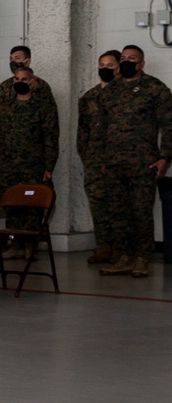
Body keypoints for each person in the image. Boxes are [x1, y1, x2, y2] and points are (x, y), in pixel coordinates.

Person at [98, 44, 172, 278]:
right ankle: (123, 257)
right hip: (114, 163)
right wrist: (101, 158)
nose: (128, 61)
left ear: (142, 64)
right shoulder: (110, 91)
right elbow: (102, 129)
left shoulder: (155, 89)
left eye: (133, 58)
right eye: (124, 58)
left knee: (141, 212)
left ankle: (141, 258)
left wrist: (165, 158)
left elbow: (169, 125)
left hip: (143, 163)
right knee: (117, 213)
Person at [0, 65, 59, 260]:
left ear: (33, 83)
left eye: (24, 80)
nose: (20, 83)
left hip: (34, 165)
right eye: (17, 80)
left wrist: (49, 167)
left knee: (32, 206)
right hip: (9, 166)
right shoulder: (5, 107)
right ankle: (15, 243)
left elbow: (50, 138)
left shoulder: (43, 107)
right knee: (13, 206)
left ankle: (30, 244)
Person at [77, 50, 121, 264]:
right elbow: (83, 133)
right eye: (101, 64)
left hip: (119, 161)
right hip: (94, 162)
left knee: (119, 206)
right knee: (98, 205)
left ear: (118, 68)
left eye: (110, 65)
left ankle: (122, 250)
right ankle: (103, 246)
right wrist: (87, 158)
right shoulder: (89, 98)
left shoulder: (126, 96)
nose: (105, 68)